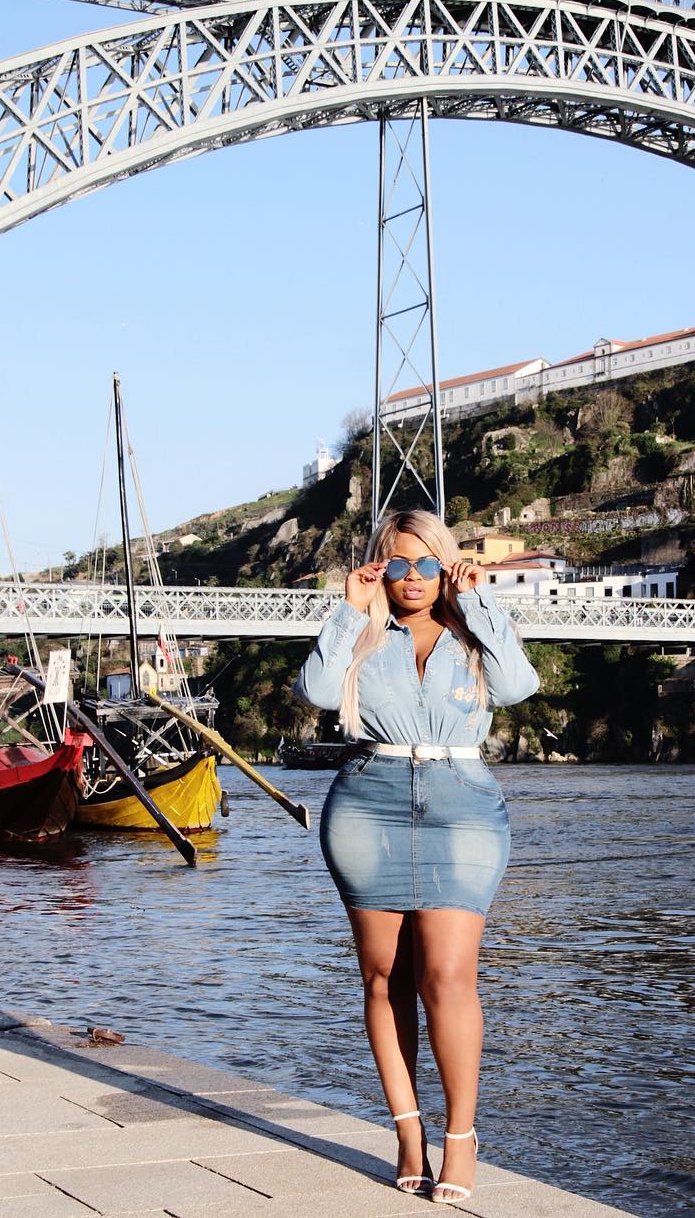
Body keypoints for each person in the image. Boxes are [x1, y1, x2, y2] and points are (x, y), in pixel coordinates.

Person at [295, 509, 538, 1204]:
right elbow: (316, 692)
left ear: (445, 567)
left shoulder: (472, 632)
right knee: (382, 978)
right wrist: (349, 608)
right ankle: (408, 1130)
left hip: (463, 804)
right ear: (380, 568)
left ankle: (461, 1136)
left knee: (447, 977)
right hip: (368, 803)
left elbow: (518, 687)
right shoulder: (363, 633)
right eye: (398, 564)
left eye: (427, 563)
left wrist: (480, 601)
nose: (412, 577)